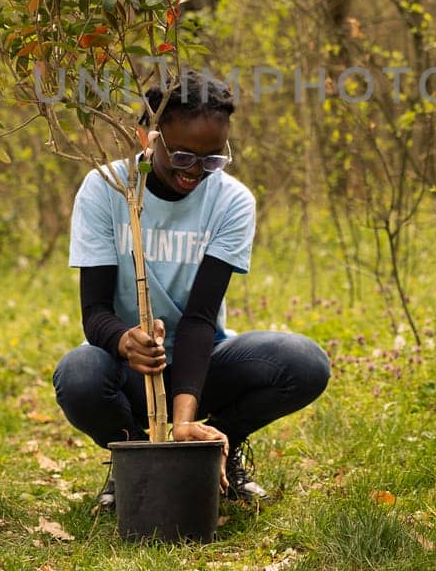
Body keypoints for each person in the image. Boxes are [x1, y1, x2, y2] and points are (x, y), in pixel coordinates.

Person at [52, 70, 332, 510]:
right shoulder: (106, 190)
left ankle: (214, 446)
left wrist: (184, 422)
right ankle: (132, 460)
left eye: (212, 160)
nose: (195, 173)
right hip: (128, 368)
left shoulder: (232, 202)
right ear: (147, 135)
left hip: (203, 362)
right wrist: (125, 340)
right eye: (182, 157)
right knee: (79, 374)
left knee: (305, 363)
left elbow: (201, 319)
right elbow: (95, 313)